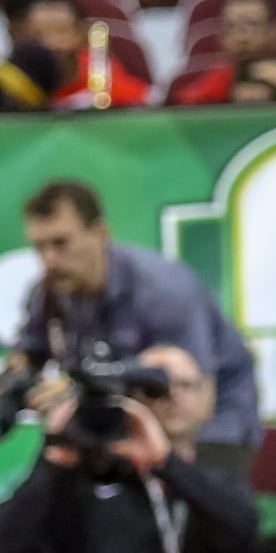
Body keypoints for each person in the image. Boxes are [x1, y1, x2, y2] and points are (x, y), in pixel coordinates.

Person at [10, 181, 259, 454]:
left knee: (195, 484)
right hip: (120, 427)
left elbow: (192, 396)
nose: (50, 260)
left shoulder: (163, 289)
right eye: (39, 247)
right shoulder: (49, 293)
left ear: (100, 233)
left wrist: (79, 387)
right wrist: (14, 384)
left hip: (208, 429)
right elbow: (28, 358)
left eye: (61, 243)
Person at [0, 344, 259, 552]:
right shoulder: (87, 474)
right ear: (130, 394)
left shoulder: (217, 472)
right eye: (154, 388)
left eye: (185, 385)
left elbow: (243, 529)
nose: (172, 396)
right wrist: (54, 460)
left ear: (208, 397)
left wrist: (166, 463)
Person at [0, 0, 150, 109]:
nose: (51, 43)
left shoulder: (109, 84)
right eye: (38, 35)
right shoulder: (11, 87)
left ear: (82, 34)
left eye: (61, 32)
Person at [169, 0, 276, 105]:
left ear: (273, 33)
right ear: (222, 38)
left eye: (252, 24)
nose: (241, 37)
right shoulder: (219, 77)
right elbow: (178, 110)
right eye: (231, 26)